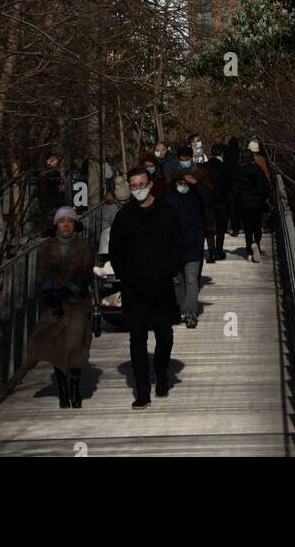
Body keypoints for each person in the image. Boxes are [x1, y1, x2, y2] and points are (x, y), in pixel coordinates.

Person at [108, 166, 183, 408]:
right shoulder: (124, 216)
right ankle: (142, 391)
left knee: (165, 335)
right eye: (134, 186)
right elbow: (115, 250)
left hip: (161, 286)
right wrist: (125, 275)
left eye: (142, 184)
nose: (138, 189)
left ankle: (161, 373)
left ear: (150, 184)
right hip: (134, 288)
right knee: (137, 339)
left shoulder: (167, 212)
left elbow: (176, 244)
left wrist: (169, 270)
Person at [27, 207, 94, 407]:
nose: (66, 225)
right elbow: (44, 272)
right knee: (57, 345)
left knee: (75, 344)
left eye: (70, 221)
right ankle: (63, 391)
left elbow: (86, 273)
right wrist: (50, 292)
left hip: (77, 301)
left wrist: (70, 289)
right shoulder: (47, 247)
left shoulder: (84, 246)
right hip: (55, 302)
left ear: (75, 224)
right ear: (56, 224)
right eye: (62, 221)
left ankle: (74, 388)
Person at [164, 163, 214, 327]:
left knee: (192, 279)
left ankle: (190, 312)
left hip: (193, 243)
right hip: (173, 245)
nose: (183, 185)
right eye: (181, 182)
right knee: (177, 281)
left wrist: (196, 183)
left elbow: (209, 199)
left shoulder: (196, 193)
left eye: (186, 182)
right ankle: (182, 310)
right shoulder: (168, 195)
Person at [233, 151, 270, 262]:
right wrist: (262, 199)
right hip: (257, 203)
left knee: (247, 227)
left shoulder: (239, 171)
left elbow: (235, 189)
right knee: (257, 226)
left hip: (244, 204)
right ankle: (257, 243)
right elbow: (265, 186)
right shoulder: (258, 170)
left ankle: (249, 247)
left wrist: (238, 201)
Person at [206, 143, 231, 260]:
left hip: (208, 201)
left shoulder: (204, 166)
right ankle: (219, 250)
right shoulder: (225, 167)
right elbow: (229, 185)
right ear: (221, 153)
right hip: (222, 200)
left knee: (210, 227)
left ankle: (211, 252)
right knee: (221, 227)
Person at [98, 175, 130, 257]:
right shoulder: (108, 206)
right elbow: (104, 224)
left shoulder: (134, 203)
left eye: (122, 183)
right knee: (106, 234)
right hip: (114, 237)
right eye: (118, 184)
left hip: (129, 236)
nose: (121, 187)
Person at [225, 136, 241, 235]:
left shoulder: (227, 154)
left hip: (229, 185)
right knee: (238, 207)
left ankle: (232, 227)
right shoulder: (238, 154)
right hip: (238, 184)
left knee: (231, 208)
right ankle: (238, 227)